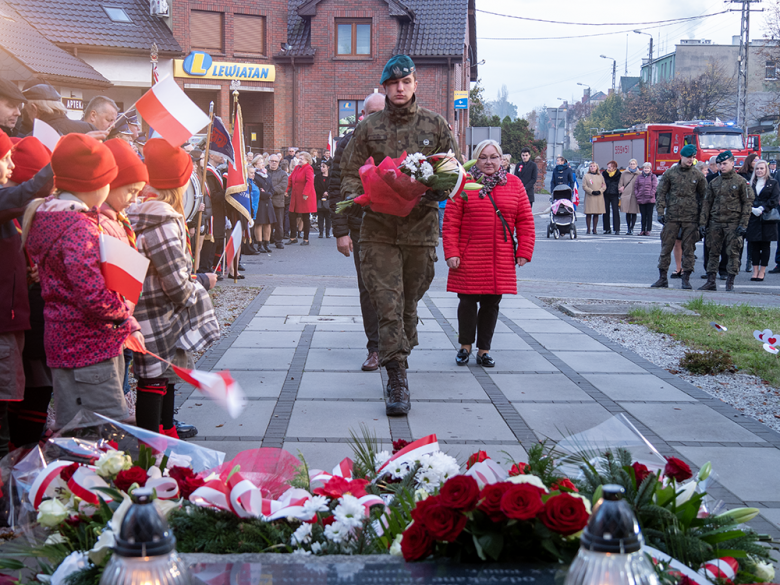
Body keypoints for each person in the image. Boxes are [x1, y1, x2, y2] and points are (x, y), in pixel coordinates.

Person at [340, 55, 459, 416]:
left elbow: (451, 171)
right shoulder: (368, 127)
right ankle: (397, 378)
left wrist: (434, 190)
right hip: (378, 230)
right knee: (387, 303)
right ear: (385, 88)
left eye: (405, 82)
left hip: (420, 230)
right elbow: (347, 173)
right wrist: (355, 201)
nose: (400, 88)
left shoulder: (435, 124)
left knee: (410, 299)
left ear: (414, 84)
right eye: (393, 84)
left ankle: (401, 344)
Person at [22, 133, 143, 430]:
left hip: (64, 341)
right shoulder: (79, 228)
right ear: (95, 184)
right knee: (96, 433)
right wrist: (123, 316)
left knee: (76, 426)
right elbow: (92, 293)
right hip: (88, 345)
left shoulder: (48, 216)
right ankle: (89, 478)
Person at [130, 139, 219, 437]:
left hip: (148, 309)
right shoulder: (163, 221)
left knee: (165, 377)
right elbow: (177, 286)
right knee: (155, 381)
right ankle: (153, 447)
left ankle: (166, 431)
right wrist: (203, 282)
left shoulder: (143, 213)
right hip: (158, 314)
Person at [443, 139, 535, 368]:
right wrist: (451, 252)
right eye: (483, 157)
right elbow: (451, 221)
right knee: (466, 301)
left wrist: (524, 250)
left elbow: (525, 220)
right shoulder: (464, 183)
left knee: (491, 303)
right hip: (468, 255)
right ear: (475, 159)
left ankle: (484, 350)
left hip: (500, 256)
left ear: (502, 160)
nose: (489, 162)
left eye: (494, 157)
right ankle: (465, 346)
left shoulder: (514, 184)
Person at [329, 92, 385, 372]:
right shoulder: (348, 143)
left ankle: (395, 345)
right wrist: (341, 231)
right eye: (369, 113)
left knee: (397, 289)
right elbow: (335, 186)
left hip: (395, 227)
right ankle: (374, 348)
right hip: (361, 226)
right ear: (362, 115)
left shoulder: (401, 138)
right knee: (368, 289)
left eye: (380, 112)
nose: (373, 118)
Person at [4, 137, 54, 449]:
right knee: (24, 394)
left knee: (27, 392)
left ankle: (20, 458)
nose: (8, 166)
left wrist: (26, 274)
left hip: (21, 317)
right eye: (4, 158)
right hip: (18, 319)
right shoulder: (14, 205)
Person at [652, 144, 706, 290]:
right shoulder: (670, 173)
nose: (691, 160)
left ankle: (686, 278)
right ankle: (662, 278)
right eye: (689, 157)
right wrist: (661, 212)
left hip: (691, 218)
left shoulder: (697, 175)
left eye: (693, 157)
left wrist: (702, 221)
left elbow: (704, 198)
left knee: (689, 250)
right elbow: (661, 193)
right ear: (681, 156)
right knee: (666, 247)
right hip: (672, 217)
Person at [698, 150, 753, 292]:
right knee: (712, 252)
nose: (722, 166)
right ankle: (711, 281)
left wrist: (743, 224)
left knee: (733, 252)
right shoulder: (714, 182)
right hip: (715, 222)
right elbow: (706, 203)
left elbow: (747, 204)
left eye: (724, 163)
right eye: (720, 164)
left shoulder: (741, 182)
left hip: (733, 223)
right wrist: (703, 223)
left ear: (732, 163)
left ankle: (730, 281)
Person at [21, 79, 98, 137]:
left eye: (27, 110)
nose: (27, 114)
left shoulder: (34, 137)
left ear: (34, 109)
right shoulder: (88, 128)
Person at [746, 159, 780, 282]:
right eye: (758, 169)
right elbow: (746, 198)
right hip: (753, 217)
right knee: (754, 245)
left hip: (767, 218)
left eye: (762, 168)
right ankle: (754, 271)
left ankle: (762, 271)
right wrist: (752, 208)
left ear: (766, 169)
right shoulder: (750, 183)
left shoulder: (773, 182)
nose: (760, 171)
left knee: (765, 246)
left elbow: (774, 199)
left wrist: (762, 208)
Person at [287, 151, 316, 245]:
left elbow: (309, 181)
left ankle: (306, 239)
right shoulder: (296, 168)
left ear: (307, 160)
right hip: (295, 196)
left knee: (305, 217)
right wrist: (286, 189)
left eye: (301, 159)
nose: (299, 160)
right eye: (299, 158)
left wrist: (305, 193)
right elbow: (290, 179)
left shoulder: (308, 168)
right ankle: (293, 237)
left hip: (304, 196)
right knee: (292, 215)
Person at [252, 159, 276, 253]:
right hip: (260, 202)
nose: (263, 164)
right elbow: (257, 190)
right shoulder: (255, 176)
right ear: (255, 164)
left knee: (268, 223)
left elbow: (272, 188)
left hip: (268, 201)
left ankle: (267, 243)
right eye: (260, 162)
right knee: (259, 223)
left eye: (263, 162)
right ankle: (259, 244)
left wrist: (269, 194)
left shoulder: (267, 175)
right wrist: (266, 194)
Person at [267, 154, 288, 248]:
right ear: (268, 162)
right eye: (272, 161)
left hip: (278, 202)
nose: (274, 163)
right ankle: (267, 239)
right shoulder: (264, 172)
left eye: (276, 161)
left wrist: (269, 192)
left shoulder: (283, 173)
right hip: (266, 202)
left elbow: (282, 186)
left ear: (279, 163)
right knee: (266, 223)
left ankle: (278, 241)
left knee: (279, 223)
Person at [581, 161, 605, 234]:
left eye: (594, 166)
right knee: (589, 213)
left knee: (596, 213)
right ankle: (588, 229)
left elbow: (604, 186)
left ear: (597, 167)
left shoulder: (600, 176)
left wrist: (600, 191)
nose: (592, 167)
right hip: (590, 196)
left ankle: (594, 229)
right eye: (591, 166)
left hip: (598, 196)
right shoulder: (586, 176)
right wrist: (591, 191)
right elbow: (584, 186)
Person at [635, 162, 658, 236]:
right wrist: (637, 194)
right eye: (645, 168)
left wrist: (651, 194)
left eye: (648, 168)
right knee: (643, 215)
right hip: (641, 198)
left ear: (650, 169)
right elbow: (636, 187)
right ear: (643, 169)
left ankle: (648, 230)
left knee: (649, 215)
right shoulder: (639, 177)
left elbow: (655, 187)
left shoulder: (653, 177)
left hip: (650, 199)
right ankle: (642, 230)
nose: (646, 169)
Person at [619, 159, 641, 235]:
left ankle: (632, 228)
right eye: (631, 164)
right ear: (629, 165)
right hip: (626, 195)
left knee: (634, 212)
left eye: (634, 164)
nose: (632, 165)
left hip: (635, 195)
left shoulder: (639, 174)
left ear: (636, 165)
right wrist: (621, 189)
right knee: (627, 212)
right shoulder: (624, 173)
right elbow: (620, 183)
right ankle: (628, 228)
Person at [601, 160, 622, 234]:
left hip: (615, 194)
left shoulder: (619, 174)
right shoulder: (604, 174)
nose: (608, 169)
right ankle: (607, 228)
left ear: (614, 168)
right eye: (608, 167)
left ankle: (617, 229)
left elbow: (621, 183)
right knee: (606, 211)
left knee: (615, 211)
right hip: (606, 194)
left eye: (610, 167)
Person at [315, 160, 332, 238]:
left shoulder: (331, 177)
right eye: (321, 167)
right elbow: (316, 186)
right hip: (320, 198)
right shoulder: (318, 177)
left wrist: (328, 193)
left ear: (328, 167)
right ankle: (321, 232)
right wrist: (323, 193)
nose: (322, 168)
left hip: (329, 199)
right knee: (320, 216)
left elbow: (333, 186)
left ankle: (328, 232)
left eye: (323, 167)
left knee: (328, 217)